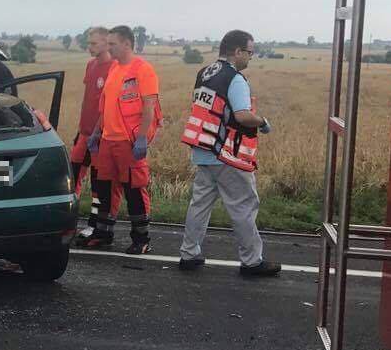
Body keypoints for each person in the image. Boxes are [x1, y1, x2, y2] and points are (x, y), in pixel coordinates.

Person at [178, 30, 280, 276]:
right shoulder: (235, 78)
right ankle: (252, 261)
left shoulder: (205, 73)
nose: (250, 57)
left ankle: (188, 254)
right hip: (227, 154)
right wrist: (263, 122)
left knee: (199, 205)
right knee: (244, 205)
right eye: (249, 52)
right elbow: (242, 115)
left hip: (203, 150)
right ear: (237, 52)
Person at [82, 25, 158, 254]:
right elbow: (105, 106)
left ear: (126, 43)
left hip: (129, 141)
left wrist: (142, 138)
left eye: (113, 43)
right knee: (104, 189)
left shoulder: (143, 70)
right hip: (107, 140)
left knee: (134, 190)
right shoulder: (115, 68)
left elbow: (149, 107)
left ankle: (141, 239)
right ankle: (103, 233)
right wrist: (96, 132)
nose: (109, 47)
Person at [71, 26, 112, 242]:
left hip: (100, 136)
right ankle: (68, 220)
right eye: (89, 43)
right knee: (71, 176)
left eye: (94, 43)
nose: (90, 47)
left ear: (107, 43)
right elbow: (88, 101)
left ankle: (95, 227)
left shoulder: (113, 67)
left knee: (99, 184)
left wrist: (97, 132)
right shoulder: (91, 65)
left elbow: (106, 106)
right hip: (84, 133)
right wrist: (80, 131)